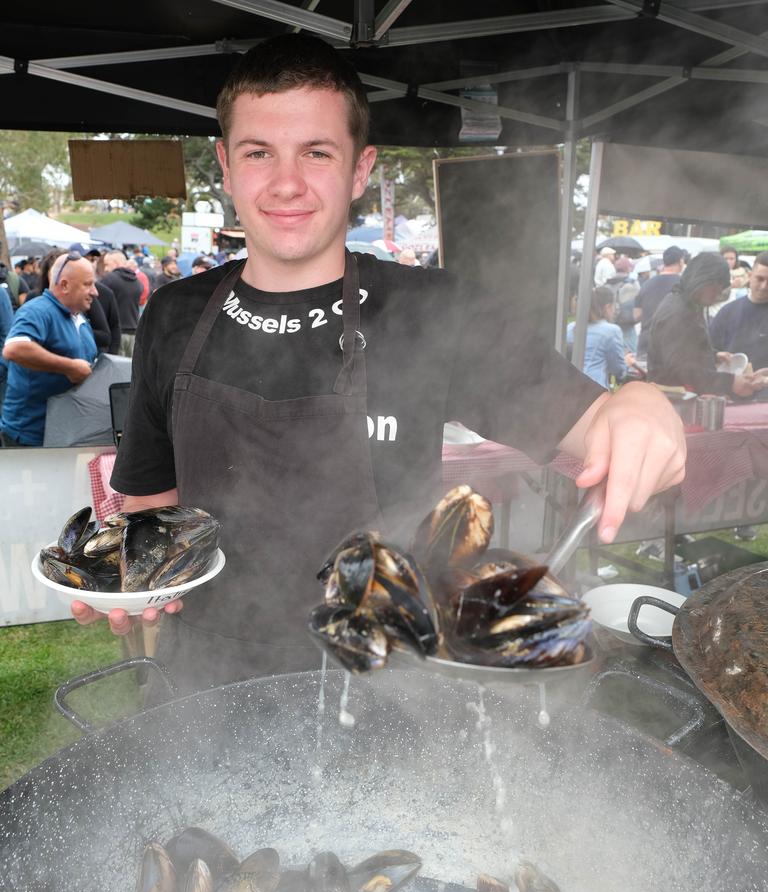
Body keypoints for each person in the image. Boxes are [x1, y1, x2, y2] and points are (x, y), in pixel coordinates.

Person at [72, 33, 686, 694]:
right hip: (209, 677)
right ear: (225, 165)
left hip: (390, 681)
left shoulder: (433, 308)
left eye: (316, 152)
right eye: (258, 153)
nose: (285, 182)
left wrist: (640, 406)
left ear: (360, 169)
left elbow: (591, 419)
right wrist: (130, 577)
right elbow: (151, 501)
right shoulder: (174, 312)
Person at [0, 253, 97, 446]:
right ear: (64, 285)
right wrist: (69, 367)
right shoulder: (37, 311)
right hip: (31, 436)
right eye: (87, 284)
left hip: (64, 433)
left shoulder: (78, 318)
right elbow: (14, 349)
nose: (95, 292)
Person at [647, 252, 768, 398]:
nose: (718, 294)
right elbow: (683, 370)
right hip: (673, 402)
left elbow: (684, 351)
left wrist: (713, 355)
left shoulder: (688, 304)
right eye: (715, 287)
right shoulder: (678, 313)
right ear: (703, 281)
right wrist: (729, 383)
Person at [710, 251, 768, 371]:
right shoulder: (728, 312)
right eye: (760, 279)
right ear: (750, 275)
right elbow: (708, 351)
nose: (764, 286)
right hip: (729, 386)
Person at [567, 286, 632, 389]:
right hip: (595, 391)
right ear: (608, 307)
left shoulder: (570, 328)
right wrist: (627, 362)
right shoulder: (611, 331)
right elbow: (619, 371)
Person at [633, 245, 686, 358]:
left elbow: (636, 315)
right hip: (672, 347)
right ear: (681, 262)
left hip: (646, 344)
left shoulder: (646, 284)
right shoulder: (684, 285)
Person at [99, 251, 142, 356]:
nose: (105, 269)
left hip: (116, 334)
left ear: (115, 263)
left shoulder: (109, 280)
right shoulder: (137, 281)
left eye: (107, 264)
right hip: (134, 332)